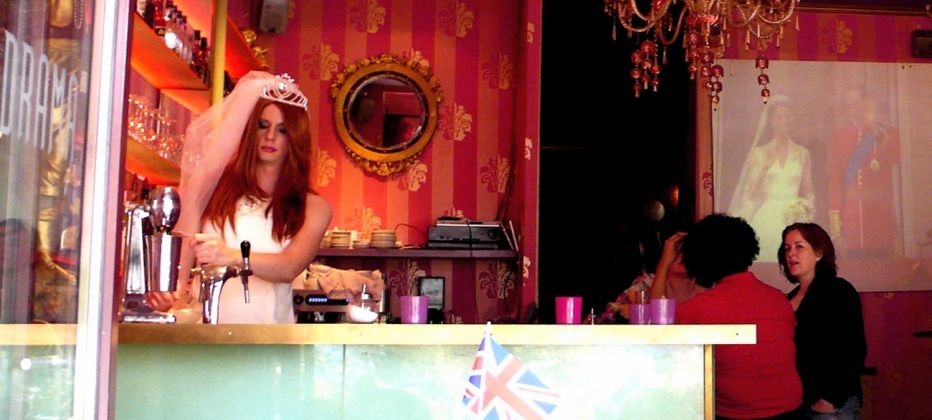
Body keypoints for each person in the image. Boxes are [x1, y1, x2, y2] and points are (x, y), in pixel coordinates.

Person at [147, 72, 332, 323]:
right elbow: (179, 265)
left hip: (267, 336)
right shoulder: (211, 187)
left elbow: (289, 267)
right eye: (263, 126)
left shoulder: (314, 207)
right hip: (206, 330)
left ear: (295, 138)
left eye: (282, 130)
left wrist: (232, 256)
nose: (270, 137)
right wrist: (168, 293)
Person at [677, 214, 802, 419]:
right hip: (791, 410)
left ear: (700, 257)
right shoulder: (779, 299)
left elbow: (660, 344)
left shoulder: (694, 309)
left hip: (737, 414)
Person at [779, 223, 867, 419]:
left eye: (799, 247)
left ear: (819, 253)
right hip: (796, 401)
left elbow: (853, 348)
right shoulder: (788, 298)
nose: (791, 254)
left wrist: (830, 398)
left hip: (830, 406)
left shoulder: (839, 291)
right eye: (787, 248)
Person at [729, 95, 815, 261]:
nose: (784, 121)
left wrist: (804, 210)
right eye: (779, 117)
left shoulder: (802, 154)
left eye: (788, 117)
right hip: (767, 218)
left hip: (794, 219)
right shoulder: (759, 154)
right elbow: (748, 193)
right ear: (771, 121)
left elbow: (809, 191)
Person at [827, 87, 900, 258]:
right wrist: (836, 232)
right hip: (853, 225)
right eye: (849, 105)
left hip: (880, 221)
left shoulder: (885, 133)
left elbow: (897, 155)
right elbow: (835, 186)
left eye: (857, 104)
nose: (853, 110)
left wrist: (874, 125)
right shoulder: (839, 138)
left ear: (867, 105)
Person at [649, 231, 705, 303]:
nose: (681, 256)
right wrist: (663, 265)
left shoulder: (710, 289)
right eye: (674, 250)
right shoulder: (645, 287)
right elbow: (657, 309)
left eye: (685, 250)